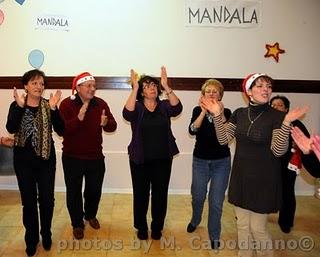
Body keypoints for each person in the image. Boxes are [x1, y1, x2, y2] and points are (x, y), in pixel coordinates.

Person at [201, 73, 308, 257]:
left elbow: (278, 150)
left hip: (265, 180)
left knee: (258, 228)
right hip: (241, 178)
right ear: (248, 92)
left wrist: (287, 123)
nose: (265, 89)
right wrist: (218, 115)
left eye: (268, 86)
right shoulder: (239, 114)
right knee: (242, 226)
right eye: (259, 86)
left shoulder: (278, 115)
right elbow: (223, 139)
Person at [6, 69, 64, 256]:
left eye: (41, 83)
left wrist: (55, 110)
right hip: (23, 162)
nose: (39, 86)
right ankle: (31, 238)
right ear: (26, 86)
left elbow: (61, 130)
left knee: (47, 200)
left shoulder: (49, 105)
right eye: (34, 83)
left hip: (46, 161)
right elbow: (11, 128)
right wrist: (20, 107)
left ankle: (45, 232)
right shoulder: (16, 105)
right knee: (28, 202)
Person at [122, 66, 182, 240]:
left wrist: (166, 86)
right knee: (140, 194)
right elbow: (127, 113)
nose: (153, 88)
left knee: (160, 195)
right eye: (147, 86)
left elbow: (177, 108)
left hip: (163, 159)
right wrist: (134, 89)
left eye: (154, 85)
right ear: (141, 91)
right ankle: (141, 227)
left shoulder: (164, 106)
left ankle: (157, 227)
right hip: (139, 160)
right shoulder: (138, 107)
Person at [59, 72, 117, 240]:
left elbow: (112, 125)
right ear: (78, 88)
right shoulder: (66, 105)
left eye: (94, 86)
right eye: (89, 85)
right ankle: (77, 224)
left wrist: (107, 123)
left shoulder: (100, 104)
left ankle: (90, 215)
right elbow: (62, 130)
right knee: (74, 192)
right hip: (72, 158)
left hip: (95, 157)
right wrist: (78, 118)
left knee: (94, 190)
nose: (93, 89)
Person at [186, 79, 231, 249]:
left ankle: (214, 234)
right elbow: (192, 130)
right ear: (203, 95)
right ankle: (196, 219)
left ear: (220, 95)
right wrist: (204, 111)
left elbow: (226, 136)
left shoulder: (227, 111)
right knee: (198, 196)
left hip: (222, 162)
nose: (211, 93)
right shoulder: (197, 110)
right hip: (200, 161)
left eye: (215, 91)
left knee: (216, 201)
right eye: (208, 91)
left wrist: (219, 113)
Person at [270, 95, 313, 233]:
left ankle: (286, 222)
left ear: (286, 109)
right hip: (268, 163)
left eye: (279, 105)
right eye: (273, 105)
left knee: (287, 192)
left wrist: (300, 145)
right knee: (260, 189)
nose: (276, 107)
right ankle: (251, 216)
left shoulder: (296, 124)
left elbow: (306, 143)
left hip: (288, 163)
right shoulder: (267, 122)